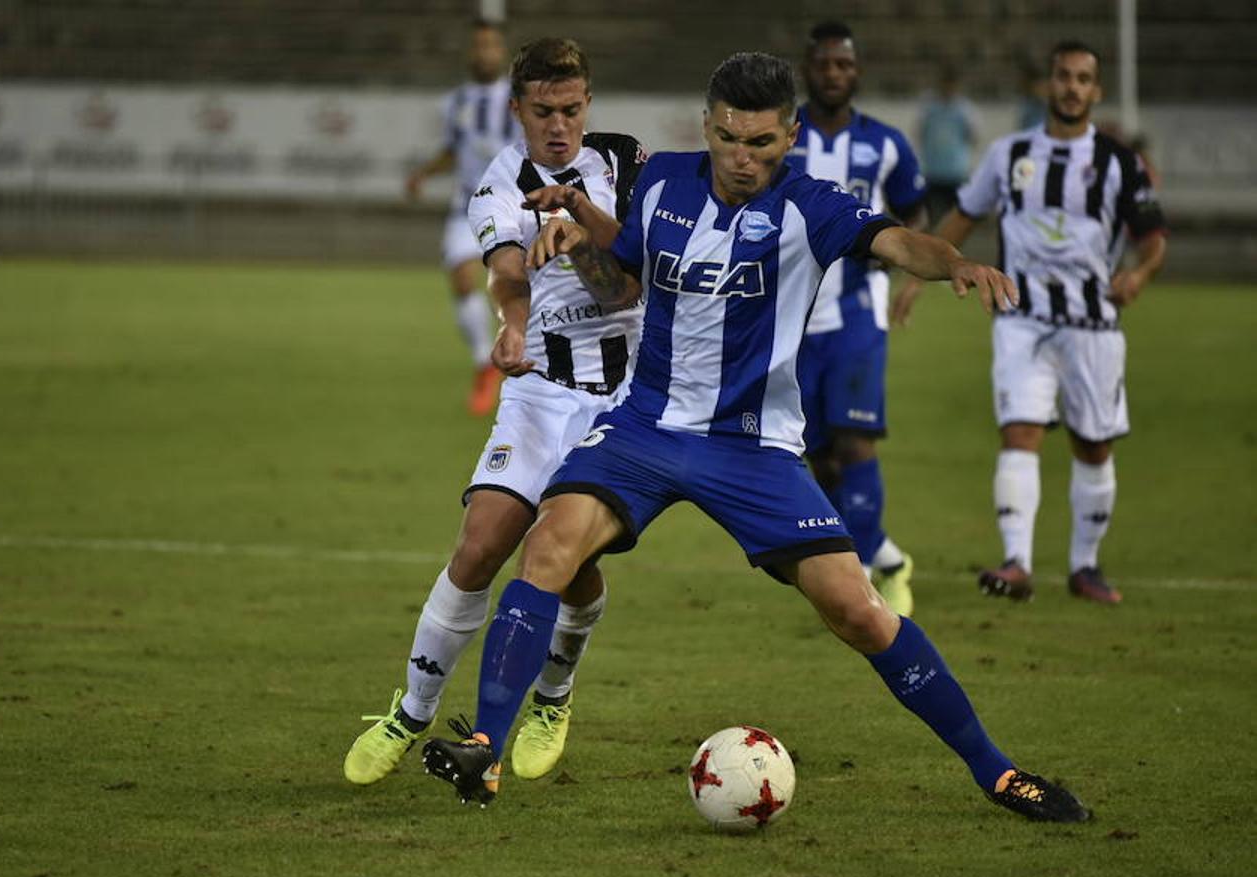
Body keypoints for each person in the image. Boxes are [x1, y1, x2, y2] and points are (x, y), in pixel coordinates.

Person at [422, 51, 1089, 825]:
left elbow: (897, 242)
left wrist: (955, 263)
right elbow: (628, 279)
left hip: (754, 448)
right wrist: (580, 243)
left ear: (791, 137)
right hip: (645, 426)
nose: (742, 159)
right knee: (547, 548)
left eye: (762, 144)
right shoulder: (667, 180)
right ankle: (485, 748)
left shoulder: (812, 205)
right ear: (708, 126)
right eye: (729, 139)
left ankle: (998, 774)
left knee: (860, 612)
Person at [344, 37, 647, 787]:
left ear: (588, 106)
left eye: (571, 109)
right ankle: (411, 712)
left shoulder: (627, 163)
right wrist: (512, 326)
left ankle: (553, 693)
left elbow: (628, 290)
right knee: (481, 544)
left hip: (624, 402)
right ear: (517, 110)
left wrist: (579, 229)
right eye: (543, 110)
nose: (559, 125)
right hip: (542, 389)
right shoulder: (497, 184)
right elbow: (509, 277)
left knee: (563, 556)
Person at [892, 40, 1167, 605]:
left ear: (1096, 90)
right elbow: (964, 216)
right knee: (1020, 430)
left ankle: (1085, 567)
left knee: (1094, 446)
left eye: (1082, 78)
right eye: (1062, 76)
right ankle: (1016, 562)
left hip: (1093, 325)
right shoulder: (1009, 154)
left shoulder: (1118, 162)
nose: (1071, 87)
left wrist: (1139, 276)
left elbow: (1153, 238)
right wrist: (921, 276)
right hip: (1022, 318)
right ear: (1049, 84)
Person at [785, 21, 927, 616]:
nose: (834, 74)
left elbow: (915, 214)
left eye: (844, 65)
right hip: (791, 320)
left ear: (856, 72)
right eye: (824, 65)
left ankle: (862, 582)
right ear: (809, 69)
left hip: (856, 314)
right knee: (817, 456)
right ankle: (887, 556)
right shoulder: (782, 136)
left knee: (854, 441)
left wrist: (913, 280)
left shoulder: (887, 144)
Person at [404, 19, 520, 416]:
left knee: (512, 287)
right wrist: (423, 174)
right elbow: (453, 150)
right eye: (478, 46)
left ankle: (524, 361)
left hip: (512, 208)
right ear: (470, 53)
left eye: (491, 46)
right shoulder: (456, 102)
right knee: (461, 276)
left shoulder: (519, 98)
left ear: (501, 52)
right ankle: (483, 364)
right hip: (467, 205)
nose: (484, 53)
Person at [917, 64, 977, 224]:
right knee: (930, 217)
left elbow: (973, 137)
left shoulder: (965, 109)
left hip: (955, 172)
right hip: (933, 171)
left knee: (955, 219)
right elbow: (920, 132)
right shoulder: (929, 106)